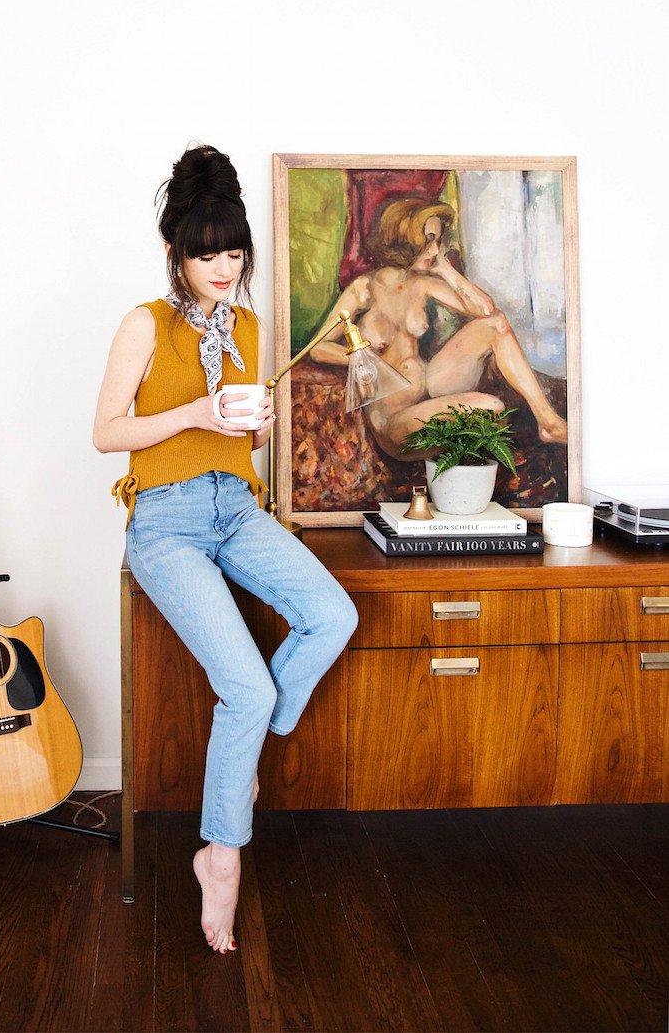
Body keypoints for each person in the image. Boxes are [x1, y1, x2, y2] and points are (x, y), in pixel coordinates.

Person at [93, 145, 358, 955]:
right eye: (206, 252)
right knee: (241, 686)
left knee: (331, 614)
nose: (221, 267)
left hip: (235, 508)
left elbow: (238, 436)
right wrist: (198, 414)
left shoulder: (245, 325)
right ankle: (222, 853)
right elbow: (107, 434)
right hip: (166, 522)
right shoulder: (146, 322)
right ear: (177, 251)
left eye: (232, 253)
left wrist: (255, 427)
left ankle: (247, 748)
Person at [309, 197, 568, 458]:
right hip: (396, 418)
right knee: (492, 407)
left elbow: (486, 310)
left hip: (431, 389)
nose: (434, 250)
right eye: (428, 240)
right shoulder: (364, 289)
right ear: (404, 238)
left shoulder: (422, 284)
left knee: (495, 325)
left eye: (437, 240)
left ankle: (549, 422)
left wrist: (445, 269)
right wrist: (363, 358)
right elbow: (317, 347)